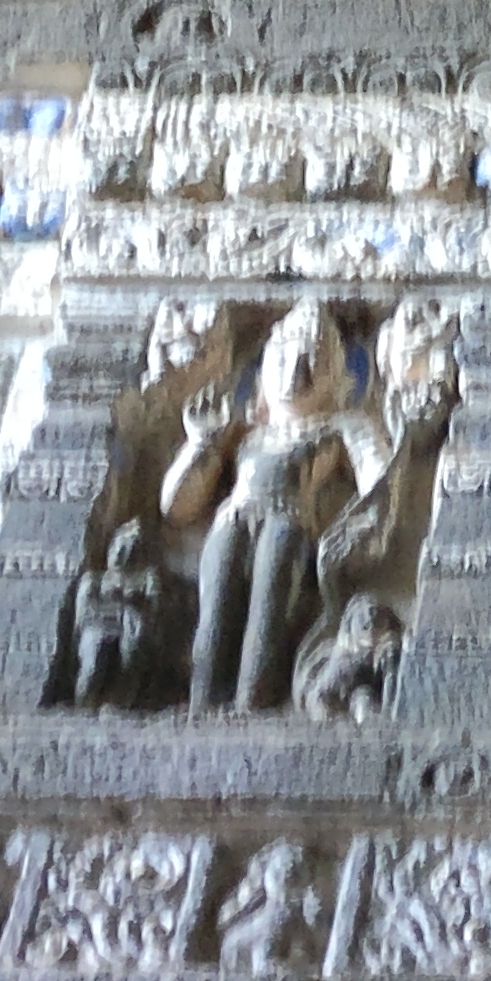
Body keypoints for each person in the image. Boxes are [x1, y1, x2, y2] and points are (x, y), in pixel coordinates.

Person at [163, 301, 435, 711]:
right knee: (215, 614)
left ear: (334, 373)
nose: (295, 371)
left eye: (311, 358)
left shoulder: (342, 425)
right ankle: (203, 706)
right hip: (232, 519)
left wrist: (404, 429)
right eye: (285, 356)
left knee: (267, 617)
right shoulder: (245, 430)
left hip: (288, 524)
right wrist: (201, 442)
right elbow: (177, 507)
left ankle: (252, 706)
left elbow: (379, 479)